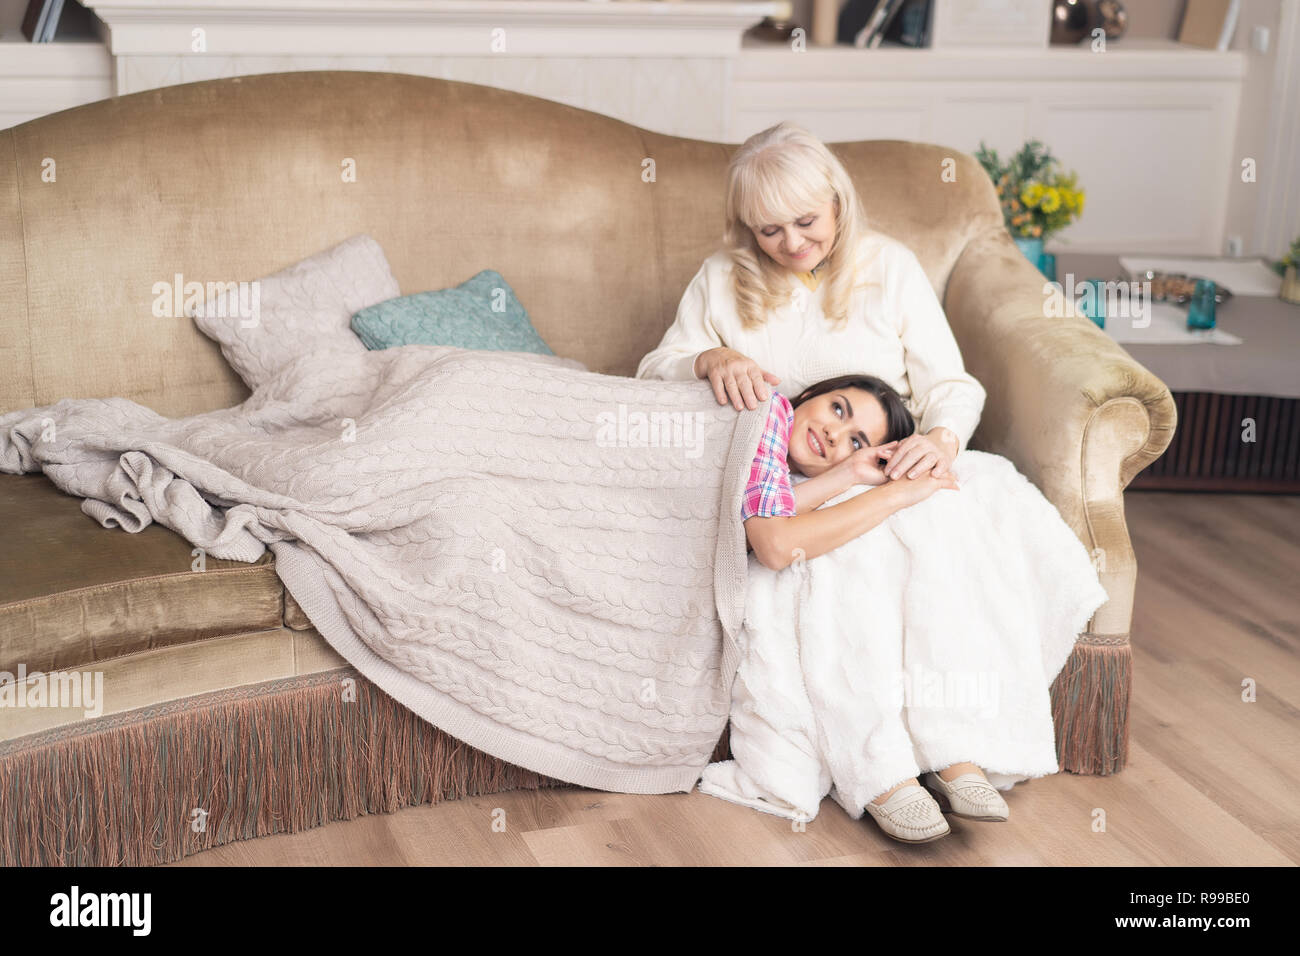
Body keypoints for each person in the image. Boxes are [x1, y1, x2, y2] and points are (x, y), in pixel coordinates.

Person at [636, 122, 1107, 843]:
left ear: (837, 203)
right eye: (769, 231)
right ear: (745, 228)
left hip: (881, 458)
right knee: (842, 567)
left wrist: (940, 441)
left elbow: (951, 384)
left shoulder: (889, 267)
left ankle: (954, 750)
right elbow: (653, 371)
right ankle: (878, 769)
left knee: (946, 527)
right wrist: (708, 360)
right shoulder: (722, 280)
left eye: (805, 222)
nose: (792, 244)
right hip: (782, 481)